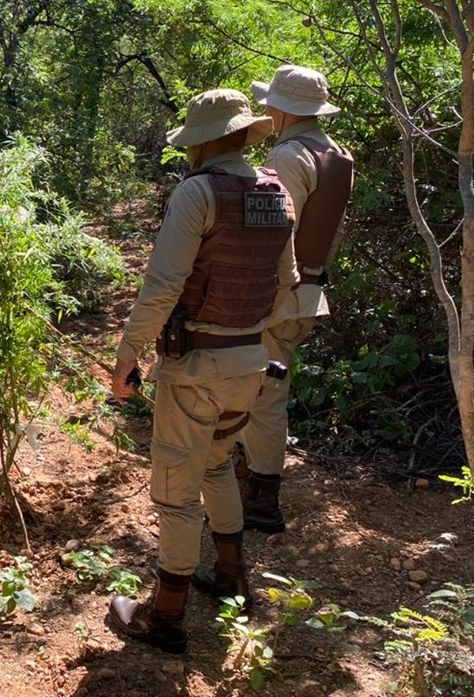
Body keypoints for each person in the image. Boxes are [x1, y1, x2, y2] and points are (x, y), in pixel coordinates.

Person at [107, 89, 299, 654]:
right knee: (218, 467)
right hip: (249, 365)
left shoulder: (198, 194)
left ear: (208, 139)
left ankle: (163, 619)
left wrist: (127, 357)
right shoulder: (277, 192)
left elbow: (163, 285)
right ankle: (232, 578)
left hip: (196, 369)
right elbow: (285, 282)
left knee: (175, 494)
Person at [235, 65, 354, 533]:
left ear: (283, 109)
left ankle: (261, 499)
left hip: (280, 294)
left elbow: (275, 235)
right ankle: (251, 479)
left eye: (270, 103)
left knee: (263, 393)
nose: (265, 108)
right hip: (309, 289)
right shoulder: (336, 154)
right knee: (266, 386)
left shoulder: (288, 156)